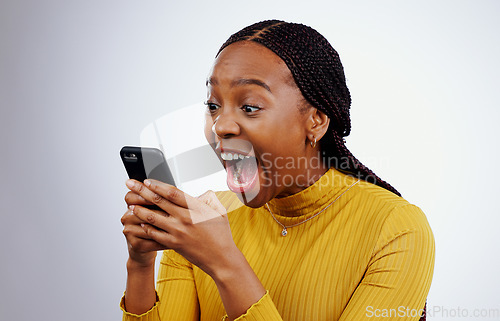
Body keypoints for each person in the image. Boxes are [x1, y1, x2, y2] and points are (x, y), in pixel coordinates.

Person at [120, 20, 435, 321]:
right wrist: (141, 265)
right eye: (213, 105)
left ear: (315, 121)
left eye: (250, 107)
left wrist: (226, 265)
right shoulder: (201, 222)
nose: (221, 125)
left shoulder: (397, 229)